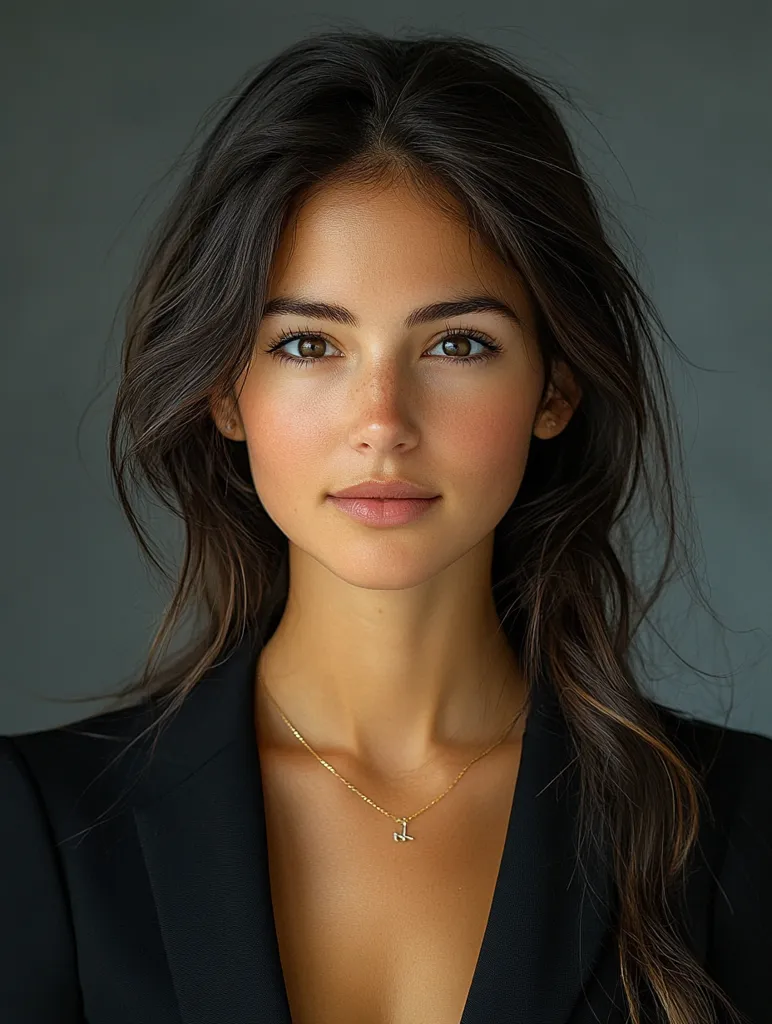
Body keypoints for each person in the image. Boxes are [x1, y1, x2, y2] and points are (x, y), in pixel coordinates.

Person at [2, 27, 770, 1024]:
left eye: (457, 342)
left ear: (556, 384)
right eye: (308, 342)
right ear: (224, 392)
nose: (382, 423)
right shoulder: (40, 829)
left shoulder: (739, 827)